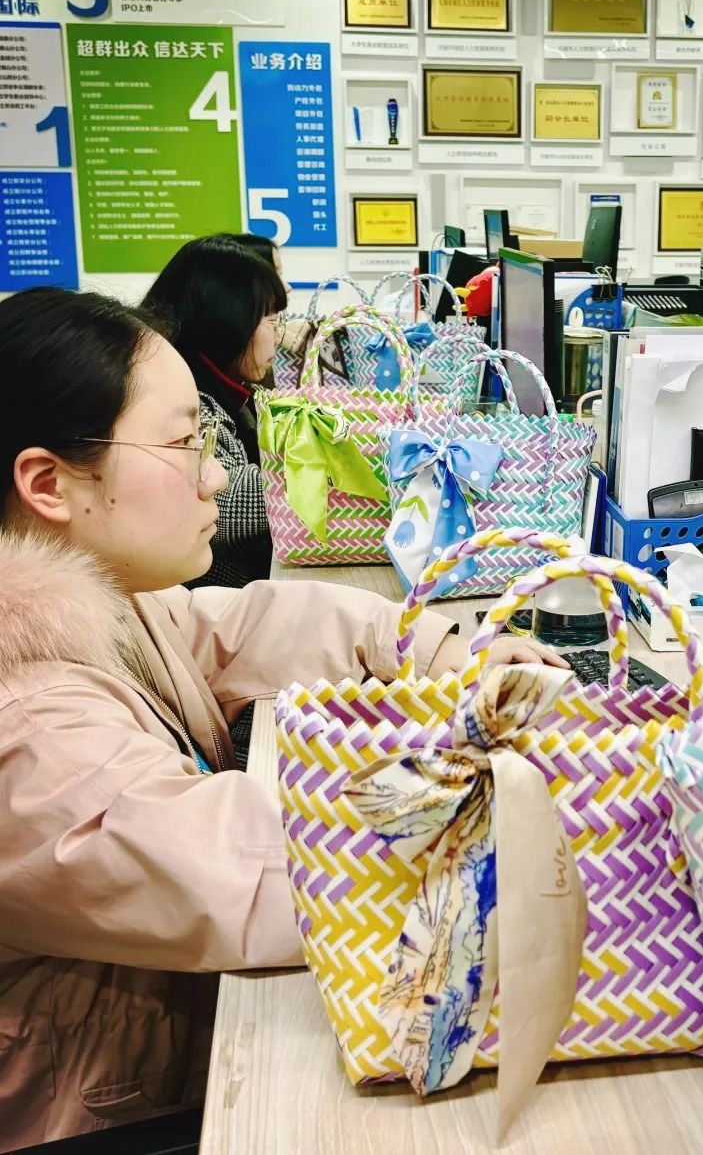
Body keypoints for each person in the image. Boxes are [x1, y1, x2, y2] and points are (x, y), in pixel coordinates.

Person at [0, 286, 562, 1152]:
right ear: (48, 483)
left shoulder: (86, 605)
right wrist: (540, 809)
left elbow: (235, 625)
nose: (217, 476)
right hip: (109, 1110)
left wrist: (431, 649)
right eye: (185, 444)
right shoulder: (29, 731)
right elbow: (286, 872)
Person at [142, 235, 285, 589]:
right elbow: (221, 501)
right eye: (269, 320)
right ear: (227, 320)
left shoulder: (236, 389)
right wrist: (318, 474)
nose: (278, 336)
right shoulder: (186, 398)